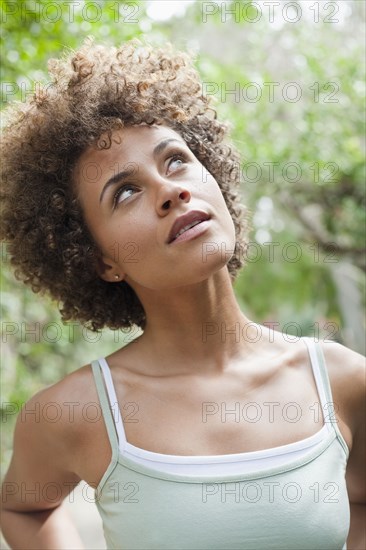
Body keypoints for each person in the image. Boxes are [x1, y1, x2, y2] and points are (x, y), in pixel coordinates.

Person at [0, 38, 364, 550]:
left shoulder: (345, 382)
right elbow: (23, 507)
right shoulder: (72, 413)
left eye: (175, 161)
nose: (170, 191)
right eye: (125, 192)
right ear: (101, 259)